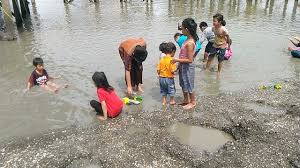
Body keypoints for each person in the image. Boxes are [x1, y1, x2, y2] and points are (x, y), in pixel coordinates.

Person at [172, 18, 198, 110]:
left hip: (188, 67)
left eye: (182, 29)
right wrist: (178, 66)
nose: (181, 30)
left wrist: (176, 60)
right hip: (183, 65)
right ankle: (186, 100)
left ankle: (193, 102)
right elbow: (183, 55)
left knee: (189, 84)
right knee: (183, 83)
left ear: (187, 30)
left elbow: (190, 59)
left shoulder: (190, 43)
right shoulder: (187, 39)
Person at [205, 13, 231, 77]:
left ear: (220, 22)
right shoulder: (213, 28)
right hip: (215, 44)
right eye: (213, 21)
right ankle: (207, 69)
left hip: (222, 46)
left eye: (215, 21)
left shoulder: (223, 30)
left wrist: (229, 46)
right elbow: (215, 36)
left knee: (220, 59)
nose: (213, 22)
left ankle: (218, 72)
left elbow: (228, 38)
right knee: (210, 57)